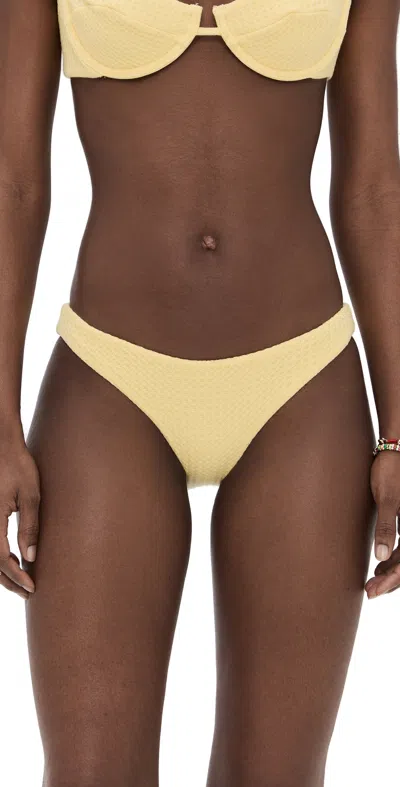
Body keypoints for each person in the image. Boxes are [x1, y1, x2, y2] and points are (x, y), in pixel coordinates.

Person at [0, 0, 399, 785]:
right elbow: (12, 184)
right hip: (110, 378)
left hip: (303, 383)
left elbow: (374, 191)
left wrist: (399, 428)